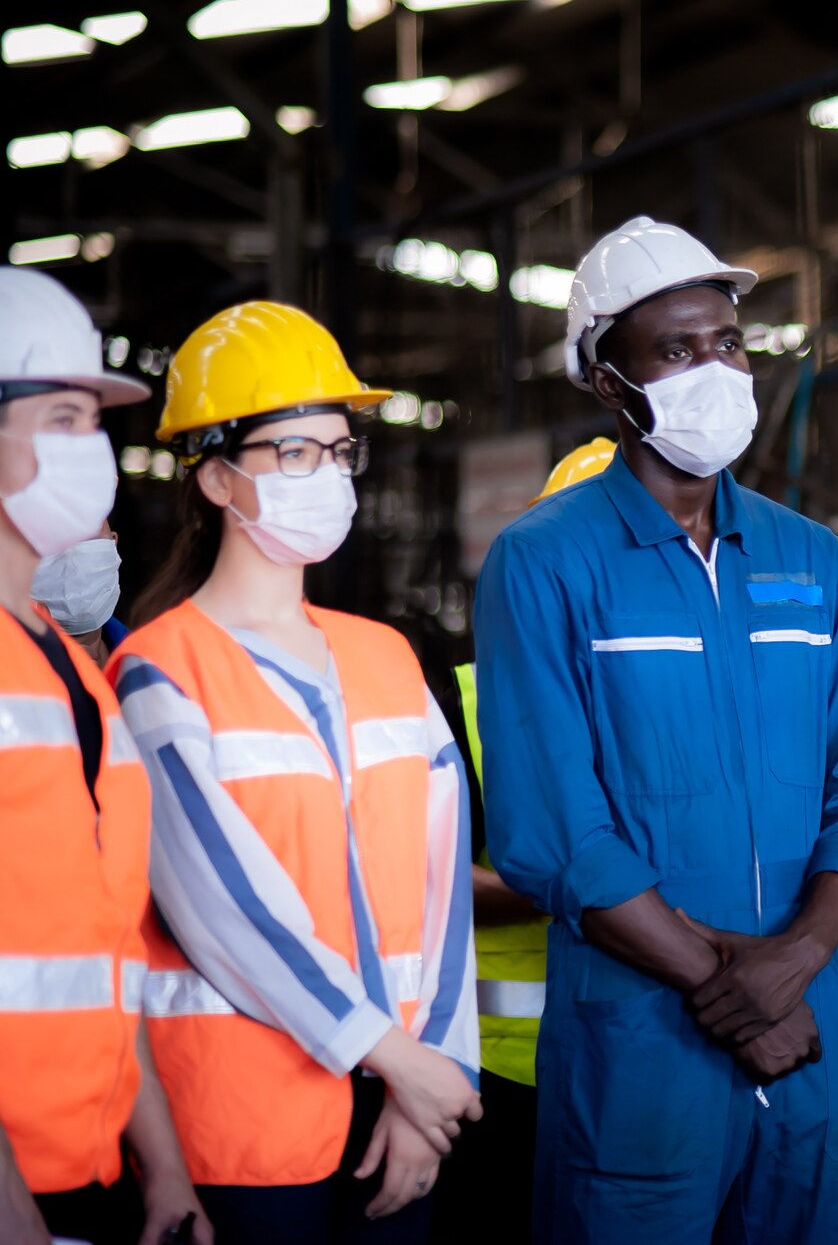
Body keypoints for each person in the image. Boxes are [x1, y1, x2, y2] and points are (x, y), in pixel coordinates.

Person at [473, 216, 838, 1244]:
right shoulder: (545, 561)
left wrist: (793, 959)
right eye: (675, 348)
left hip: (811, 1028)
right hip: (645, 1040)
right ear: (608, 383)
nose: (714, 368)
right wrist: (731, 989)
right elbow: (555, 830)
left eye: (726, 342)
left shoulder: (813, 560)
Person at [112, 300, 481, 1243]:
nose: (328, 475)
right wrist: (395, 1055)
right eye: (294, 453)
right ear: (218, 478)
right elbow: (224, 905)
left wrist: (433, 1077)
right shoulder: (159, 670)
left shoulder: (387, 655)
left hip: (406, 1111)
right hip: (249, 1120)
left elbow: (443, 892)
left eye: (339, 449)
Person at [0, 267, 211, 1245]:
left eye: (95, 422)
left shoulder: (74, 669)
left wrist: (162, 1168)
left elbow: (99, 947)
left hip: (90, 1168)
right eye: (64, 417)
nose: (94, 451)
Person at [430, 436, 615, 1242]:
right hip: (502, 1073)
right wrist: (590, 889)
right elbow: (422, 881)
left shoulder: (705, 702)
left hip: (661, 1063)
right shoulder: (461, 698)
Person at [32, 523, 127, 666]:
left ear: (113, 546)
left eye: (88, 536)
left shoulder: (150, 661)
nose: (71, 554)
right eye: (50, 540)